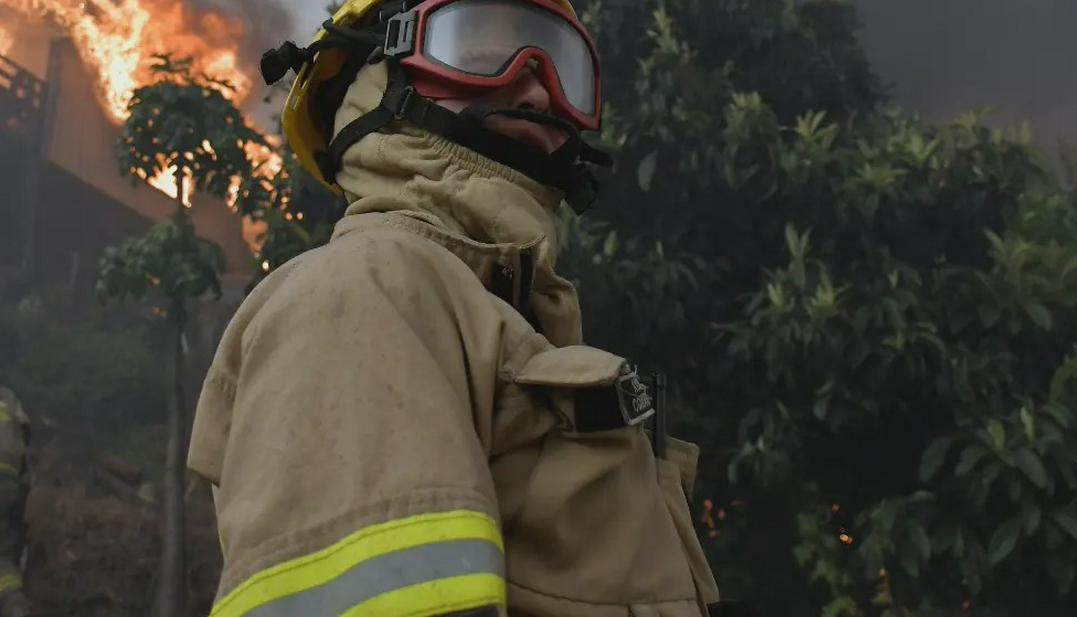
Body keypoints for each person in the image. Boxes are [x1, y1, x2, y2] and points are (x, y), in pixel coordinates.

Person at [190, 1, 746, 615]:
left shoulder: (503, 315)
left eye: (560, 67)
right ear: (377, 81)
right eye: (479, 53)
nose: (538, 92)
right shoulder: (364, 288)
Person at [0, 388, 32, 617]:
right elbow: (26, 429)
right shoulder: (7, 397)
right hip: (10, 484)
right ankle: (15, 608)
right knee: (3, 555)